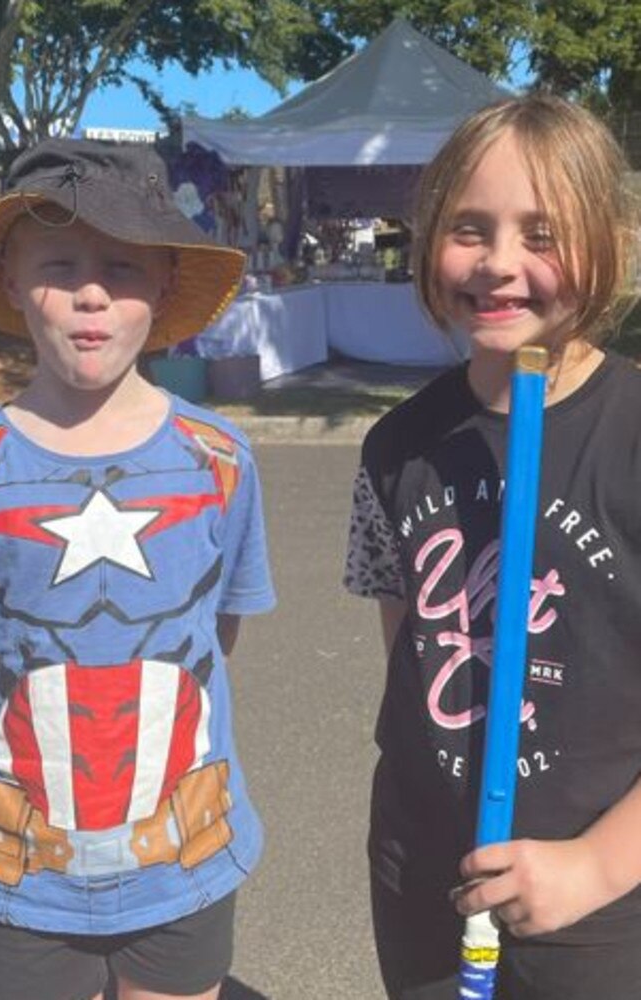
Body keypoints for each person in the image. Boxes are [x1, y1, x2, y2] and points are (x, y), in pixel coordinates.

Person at [344, 93, 641, 1000]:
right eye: (470, 229)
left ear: (608, 244)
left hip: (598, 904)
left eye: (542, 233)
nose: (500, 263)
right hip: (423, 865)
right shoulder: (397, 446)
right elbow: (409, 641)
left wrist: (595, 864)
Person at [0, 138, 276, 1000]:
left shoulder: (219, 459)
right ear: (10, 279)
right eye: (60, 263)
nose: (90, 291)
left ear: (162, 285)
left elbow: (216, 634)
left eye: (121, 266)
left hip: (180, 857)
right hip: (19, 872)